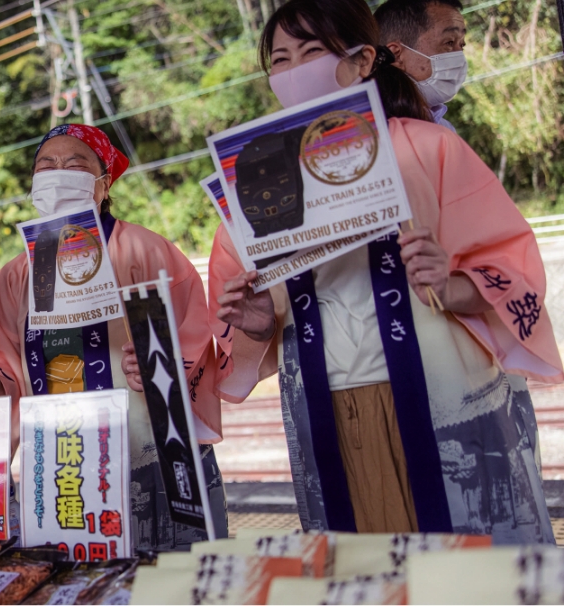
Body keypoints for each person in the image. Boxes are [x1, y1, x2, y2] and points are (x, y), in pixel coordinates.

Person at [210, 0, 561, 543]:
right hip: (323, 406)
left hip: (445, 396)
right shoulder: (253, 180)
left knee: (466, 564)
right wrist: (259, 322)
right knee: (356, 564)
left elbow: (510, 271)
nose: (294, 70)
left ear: (362, 59)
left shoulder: (430, 147)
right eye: (280, 60)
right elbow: (252, 317)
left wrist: (450, 283)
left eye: (312, 52)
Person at [0, 124, 228, 549]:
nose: (58, 172)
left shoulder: (146, 251)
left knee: (167, 577)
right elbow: (3, 361)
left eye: (75, 164)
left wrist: (160, 368)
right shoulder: (15, 275)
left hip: (147, 449)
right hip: (60, 462)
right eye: (46, 165)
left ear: (103, 183)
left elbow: (191, 337)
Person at [375, 0, 467, 131]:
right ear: (396, 54)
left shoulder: (444, 128)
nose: (460, 56)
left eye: (462, 45)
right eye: (449, 42)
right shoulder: (371, 128)